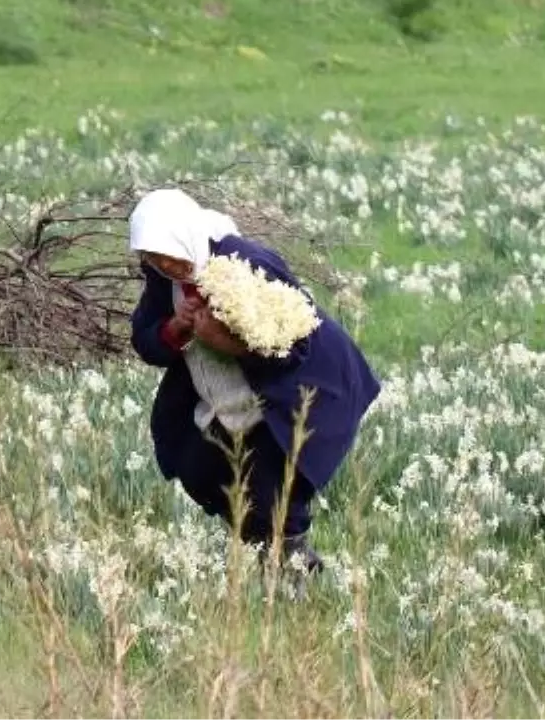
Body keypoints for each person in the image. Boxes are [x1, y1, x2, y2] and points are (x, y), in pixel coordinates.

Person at [127, 187, 381, 575]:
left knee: (275, 489)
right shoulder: (164, 280)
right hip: (227, 397)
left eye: (171, 255)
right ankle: (268, 550)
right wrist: (176, 327)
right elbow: (144, 339)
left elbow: (295, 348)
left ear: (187, 239)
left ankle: (290, 573)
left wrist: (226, 342)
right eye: (156, 258)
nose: (167, 264)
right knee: (198, 470)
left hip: (303, 389)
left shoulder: (245, 263)